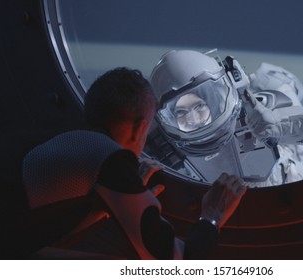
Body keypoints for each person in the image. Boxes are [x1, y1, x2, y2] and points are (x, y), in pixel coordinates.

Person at [22, 67, 247, 259]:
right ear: (140, 127)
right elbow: (178, 265)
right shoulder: (110, 160)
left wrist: (115, 200)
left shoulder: (67, 140)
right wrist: (212, 216)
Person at [148, 49, 303, 187]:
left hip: (290, 181)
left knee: (302, 147)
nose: (193, 118)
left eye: (199, 106)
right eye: (181, 112)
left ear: (216, 99)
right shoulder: (157, 150)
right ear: (165, 118)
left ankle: (281, 84)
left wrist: (282, 123)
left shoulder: (258, 111)